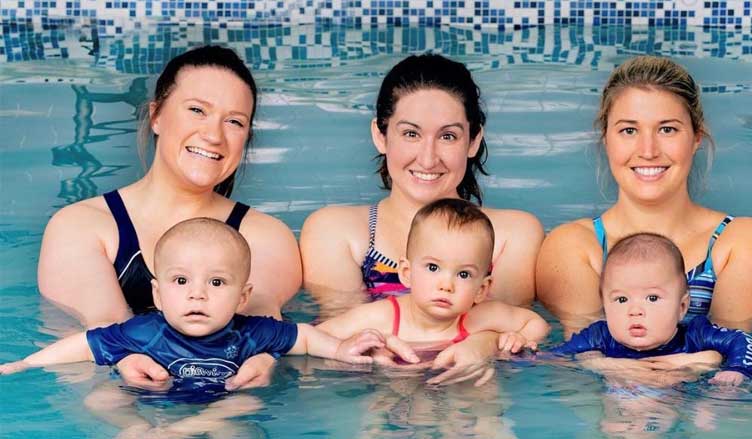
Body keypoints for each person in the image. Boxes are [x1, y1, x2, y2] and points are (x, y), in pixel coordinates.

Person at [37, 45, 302, 390]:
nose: (213, 135)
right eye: (197, 110)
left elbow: (257, 334)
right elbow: (105, 341)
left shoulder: (267, 236)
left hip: (233, 406)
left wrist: (264, 360)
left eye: (234, 121)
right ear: (156, 115)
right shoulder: (80, 226)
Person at [301, 53, 545, 384]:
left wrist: (483, 345)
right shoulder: (336, 231)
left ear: (473, 141)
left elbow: (511, 336)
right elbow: (337, 344)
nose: (428, 158)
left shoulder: (512, 234)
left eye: (448, 136)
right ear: (380, 135)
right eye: (411, 134)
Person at [536, 55, 752, 334]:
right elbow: (583, 360)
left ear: (696, 138)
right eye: (629, 130)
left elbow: (737, 354)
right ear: (606, 140)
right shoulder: (575, 246)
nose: (648, 150)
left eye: (667, 129)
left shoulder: (740, 241)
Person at [2, 218, 382, 379]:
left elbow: (304, 336)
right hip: (159, 408)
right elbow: (82, 345)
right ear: (157, 293)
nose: (197, 293)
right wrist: (25, 365)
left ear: (242, 296)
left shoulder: (250, 334)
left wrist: (341, 350)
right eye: (181, 280)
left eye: (217, 283)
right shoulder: (144, 334)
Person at [317, 199, 550, 371]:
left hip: (465, 386)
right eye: (432, 268)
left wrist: (508, 340)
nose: (446, 285)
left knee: (485, 402)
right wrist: (355, 345)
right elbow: (317, 337)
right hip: (394, 389)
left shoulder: (482, 316)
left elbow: (536, 324)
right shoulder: (382, 317)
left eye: (464, 274)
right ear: (406, 273)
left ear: (482, 289)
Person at [550, 233, 752, 386]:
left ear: (682, 307)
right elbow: (552, 358)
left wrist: (737, 370)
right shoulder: (599, 337)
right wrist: (522, 350)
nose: (635, 310)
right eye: (621, 299)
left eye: (652, 298)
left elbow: (745, 341)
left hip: (683, 403)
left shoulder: (695, 336)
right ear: (605, 305)